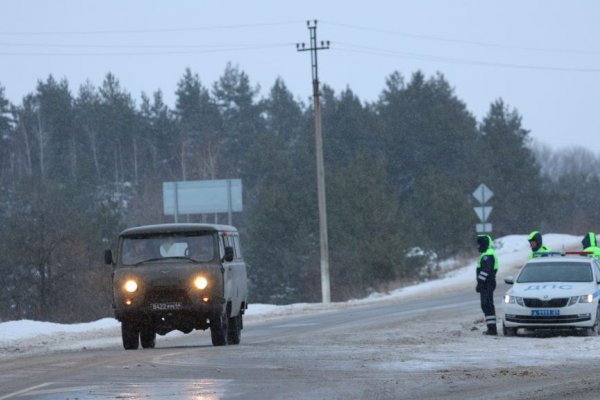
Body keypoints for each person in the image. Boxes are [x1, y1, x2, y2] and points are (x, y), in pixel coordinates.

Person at [476, 234, 498, 335]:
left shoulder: (487, 255)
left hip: (487, 284)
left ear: (484, 244)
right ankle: (491, 328)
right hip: (487, 283)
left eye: (480, 244)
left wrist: (480, 283)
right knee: (486, 305)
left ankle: (492, 329)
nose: (478, 246)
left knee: (487, 305)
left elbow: (485, 271)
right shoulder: (486, 254)